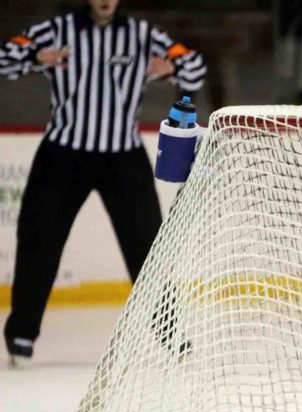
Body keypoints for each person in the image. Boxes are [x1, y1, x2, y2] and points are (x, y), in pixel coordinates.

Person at [0, 0, 206, 366]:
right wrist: (36, 57)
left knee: (147, 245)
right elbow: (6, 57)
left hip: (122, 155)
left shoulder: (142, 35)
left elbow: (195, 69)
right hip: (64, 152)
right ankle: (21, 335)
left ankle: (171, 332)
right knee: (38, 239)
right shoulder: (56, 30)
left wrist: (172, 65)